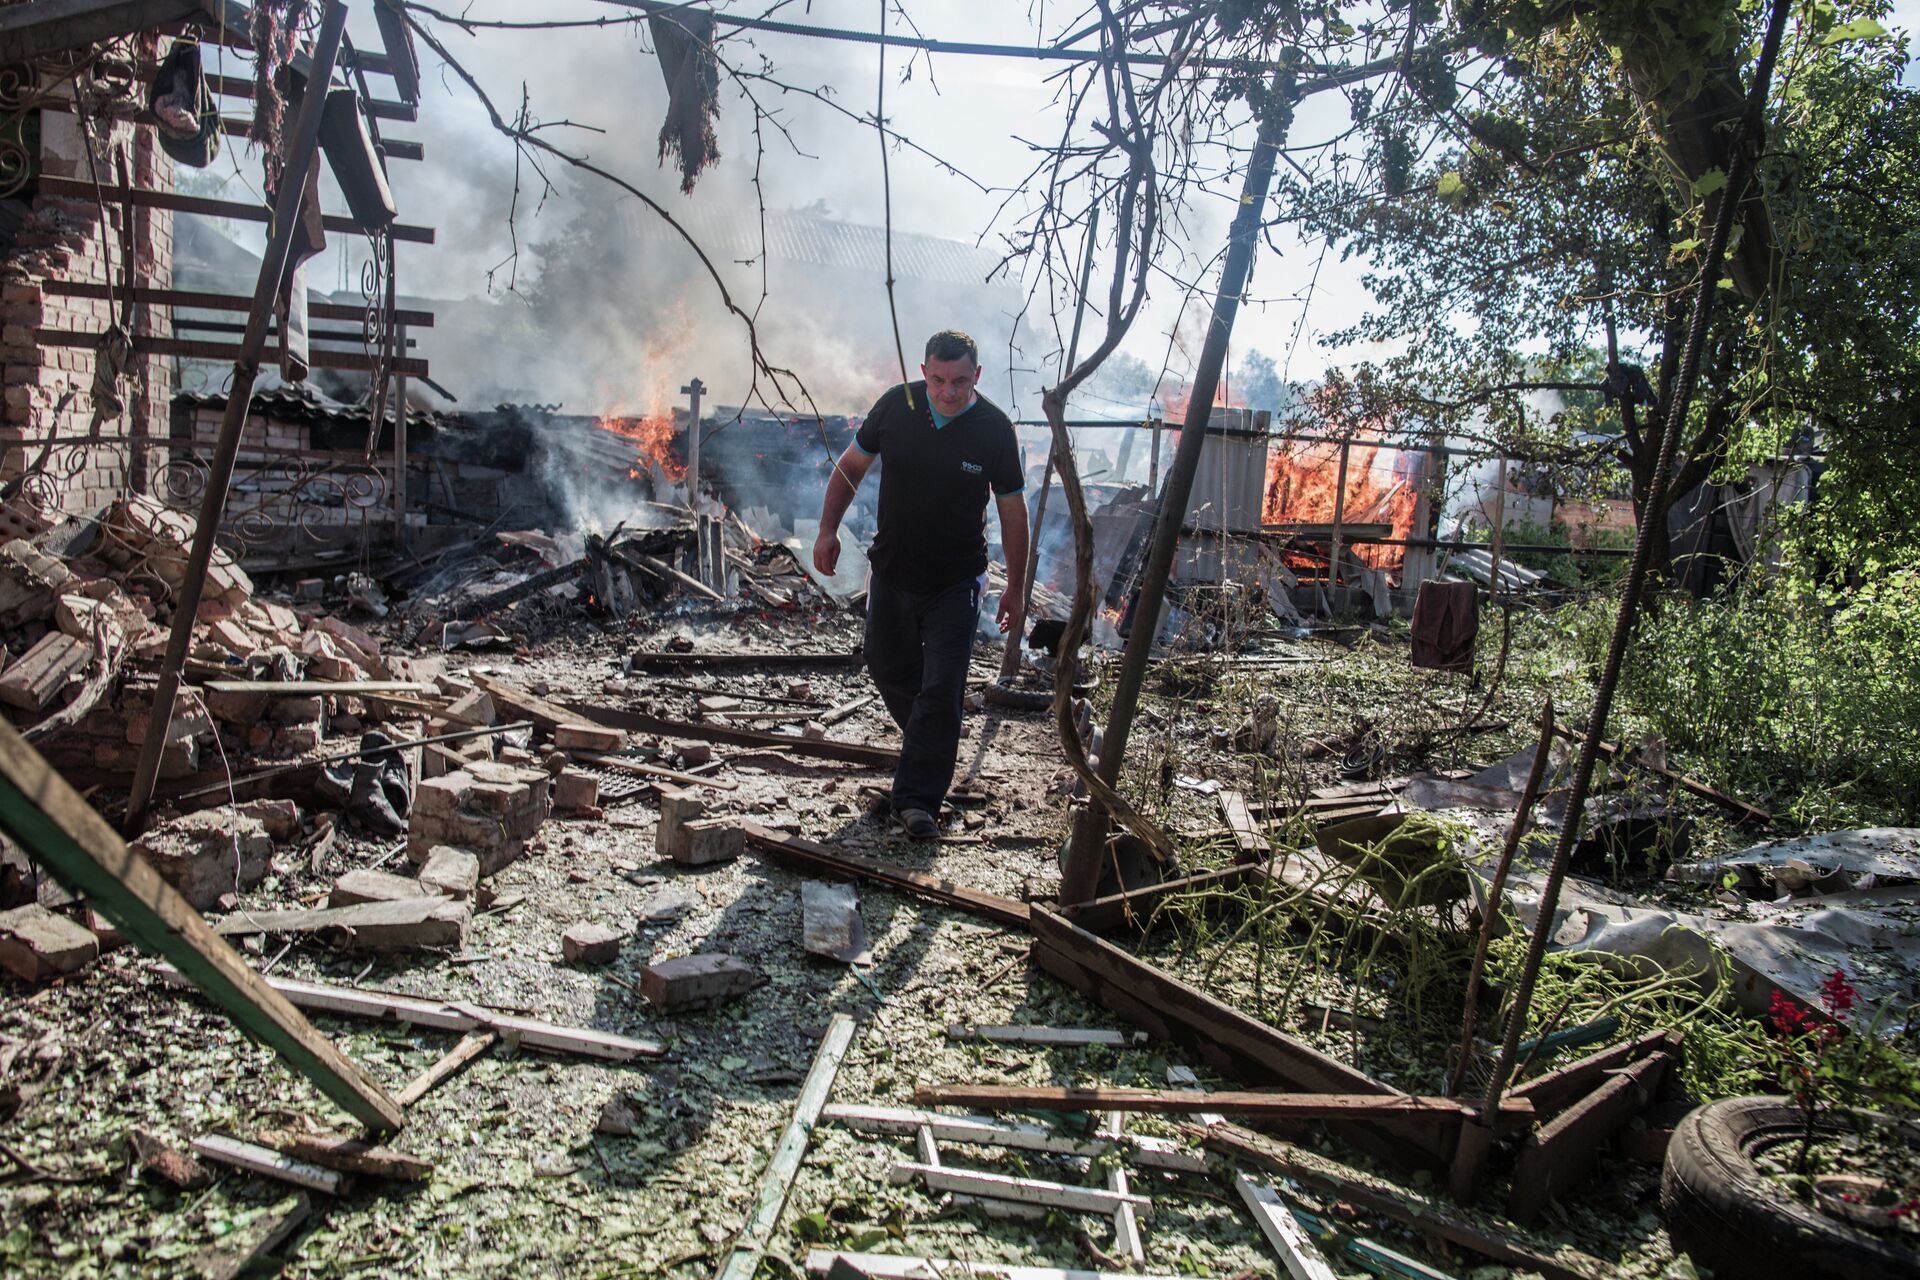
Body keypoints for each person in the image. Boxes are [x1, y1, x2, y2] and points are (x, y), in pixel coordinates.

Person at [813, 330, 1030, 840]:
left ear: (976, 376)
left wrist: (1016, 587)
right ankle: (932, 745)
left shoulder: (995, 430)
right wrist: (827, 530)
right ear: (923, 372)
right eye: (937, 380)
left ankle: (916, 802)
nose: (947, 391)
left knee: (942, 685)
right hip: (892, 570)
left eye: (958, 381)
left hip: (956, 580)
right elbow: (850, 468)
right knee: (886, 666)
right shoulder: (897, 407)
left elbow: (1013, 511)